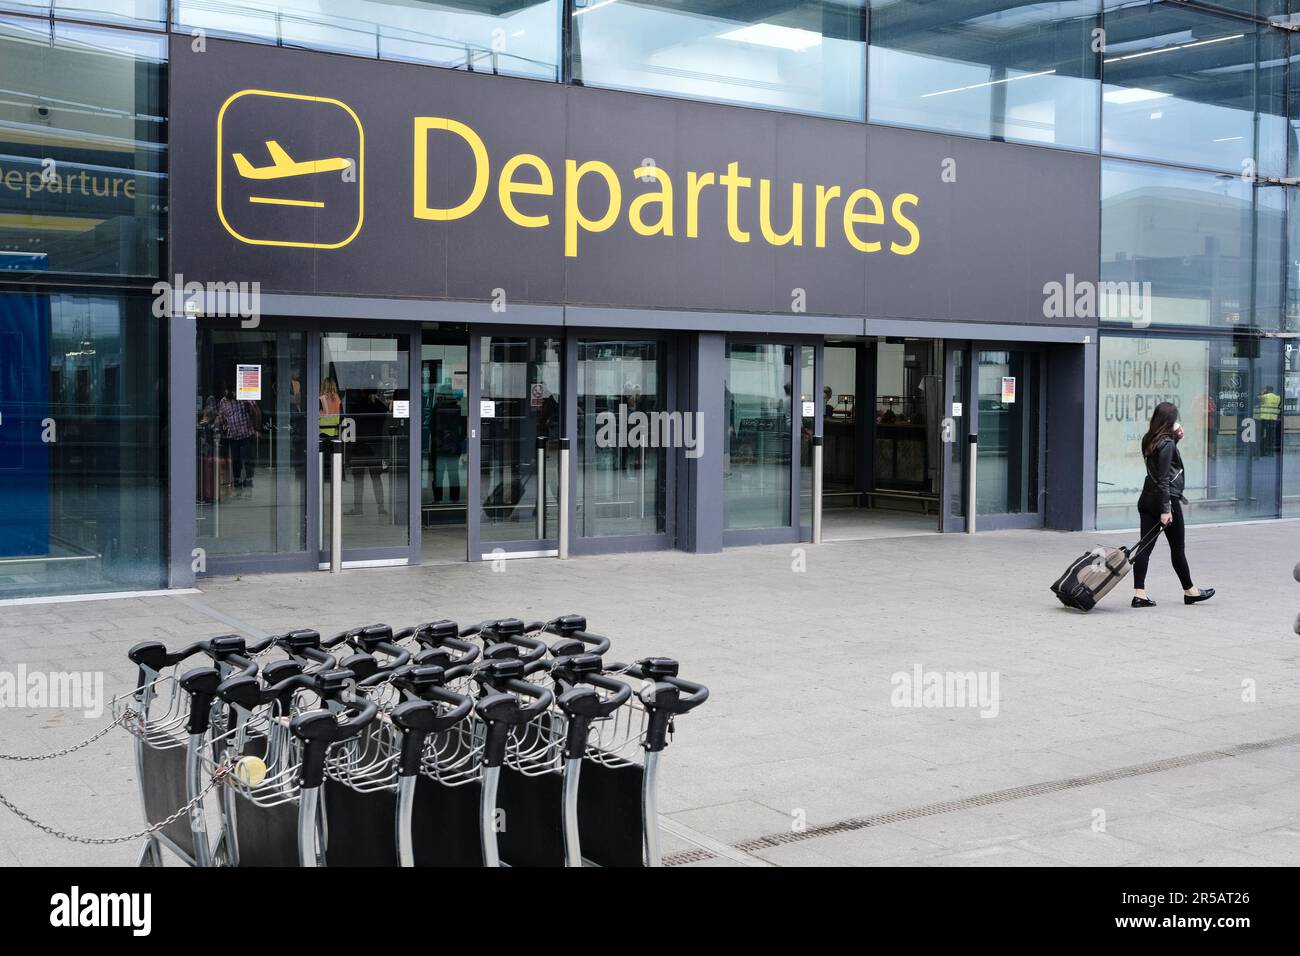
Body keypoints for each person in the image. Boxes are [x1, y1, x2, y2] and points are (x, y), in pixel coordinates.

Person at [1131, 401, 1215, 608]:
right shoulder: (1166, 443)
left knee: (1145, 547)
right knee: (1177, 549)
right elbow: (1164, 478)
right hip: (1164, 500)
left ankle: (1139, 594)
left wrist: (1175, 437)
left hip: (1147, 498)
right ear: (1170, 420)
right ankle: (1190, 591)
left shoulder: (1149, 438)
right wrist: (1166, 509)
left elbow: (1161, 464)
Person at [217, 382, 259, 496]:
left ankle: (249, 479)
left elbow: (255, 412)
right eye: (226, 390)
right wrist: (220, 426)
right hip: (233, 435)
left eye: (230, 390)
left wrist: (256, 429)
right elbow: (222, 417)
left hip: (246, 433)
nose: (228, 393)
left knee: (248, 458)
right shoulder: (223, 402)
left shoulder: (244, 399)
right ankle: (236, 480)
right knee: (236, 459)